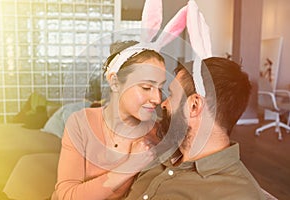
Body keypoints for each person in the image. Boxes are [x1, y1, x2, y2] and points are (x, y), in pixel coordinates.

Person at [124, 57, 266, 200]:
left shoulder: (238, 195)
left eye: (172, 95)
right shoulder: (157, 153)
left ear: (194, 106)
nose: (163, 104)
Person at [51, 40, 166, 200]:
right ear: (114, 82)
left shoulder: (157, 134)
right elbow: (67, 196)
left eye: (160, 88)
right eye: (146, 87)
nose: (157, 99)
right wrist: (131, 165)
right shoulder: (80, 123)